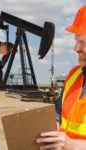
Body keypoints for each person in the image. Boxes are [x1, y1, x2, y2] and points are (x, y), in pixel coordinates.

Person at [36, 5, 86, 150]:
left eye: (82, 42)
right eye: (76, 41)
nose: (76, 49)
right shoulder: (74, 75)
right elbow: (59, 113)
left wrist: (73, 145)